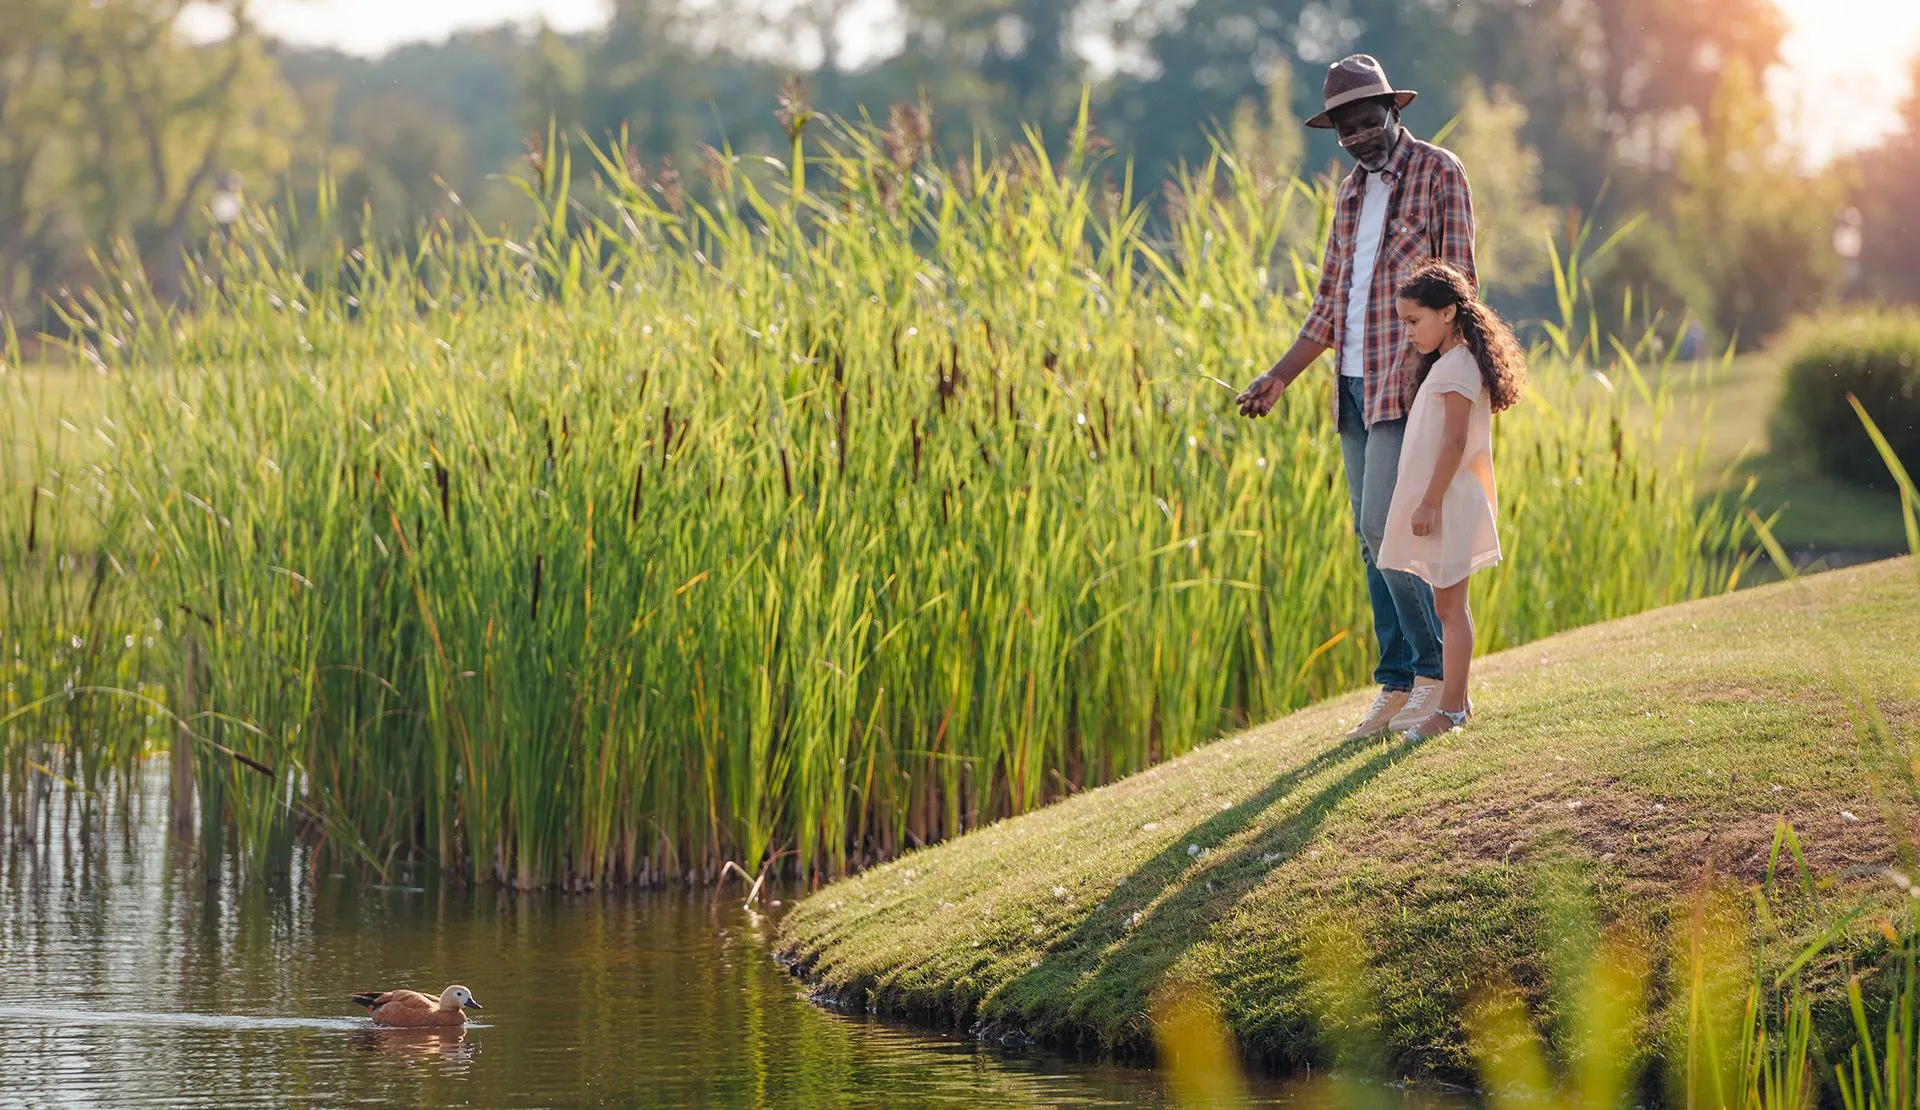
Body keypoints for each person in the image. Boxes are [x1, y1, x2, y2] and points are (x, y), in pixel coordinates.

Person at [1235, 54, 1478, 740]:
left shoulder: (1440, 173)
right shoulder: (1347, 194)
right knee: (1369, 542)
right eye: (1347, 131)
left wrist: (1450, 381)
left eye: (1370, 122)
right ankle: (1397, 686)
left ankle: (1436, 679)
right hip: (1350, 384)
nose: (1361, 137)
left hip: (1411, 383)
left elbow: (1460, 286)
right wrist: (1280, 376)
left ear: (1393, 112)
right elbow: (1329, 305)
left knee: (1386, 527)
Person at [1377, 261, 1526, 742]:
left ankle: (1452, 711)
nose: (1409, 332)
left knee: (1450, 608)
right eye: (1403, 323)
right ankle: (1456, 704)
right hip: (1447, 500)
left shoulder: (1459, 365)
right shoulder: (1449, 364)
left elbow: (1455, 442)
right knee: (1448, 606)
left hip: (1451, 501)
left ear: (1447, 313)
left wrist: (1429, 502)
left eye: (1414, 321)